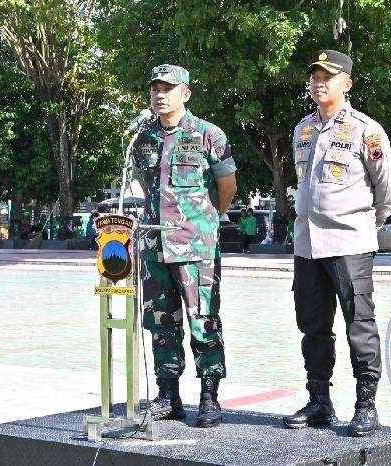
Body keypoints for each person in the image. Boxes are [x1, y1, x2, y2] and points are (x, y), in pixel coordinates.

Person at [283, 50, 391, 437]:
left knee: (359, 324)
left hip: (349, 243)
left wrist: (364, 227)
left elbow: (386, 191)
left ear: (346, 83)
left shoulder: (367, 130)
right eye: (315, 77)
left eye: (327, 77)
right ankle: (319, 401)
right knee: (312, 325)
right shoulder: (302, 130)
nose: (319, 83)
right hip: (307, 245)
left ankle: (366, 405)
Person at [132, 64, 237, 428]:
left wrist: (205, 223)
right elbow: (146, 187)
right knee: (161, 321)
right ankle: (168, 395)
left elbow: (227, 186)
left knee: (203, 319)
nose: (159, 94)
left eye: (168, 88)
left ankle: (209, 395)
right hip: (154, 246)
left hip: (195, 247)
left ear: (185, 93)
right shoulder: (143, 138)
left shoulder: (208, 134)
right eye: (155, 88)